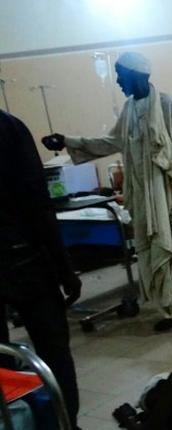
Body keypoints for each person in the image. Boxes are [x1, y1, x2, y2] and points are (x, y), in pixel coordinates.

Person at [42, 52, 172, 331]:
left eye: (120, 75)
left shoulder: (168, 105)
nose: (118, 81)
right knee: (160, 252)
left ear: (137, 75)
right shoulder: (129, 110)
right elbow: (109, 142)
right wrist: (67, 140)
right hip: (147, 199)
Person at [0, 109, 81, 428]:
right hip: (27, 261)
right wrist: (64, 269)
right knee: (54, 352)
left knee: (3, 364)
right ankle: (66, 423)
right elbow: (38, 203)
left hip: (21, 258)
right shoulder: (10, 128)